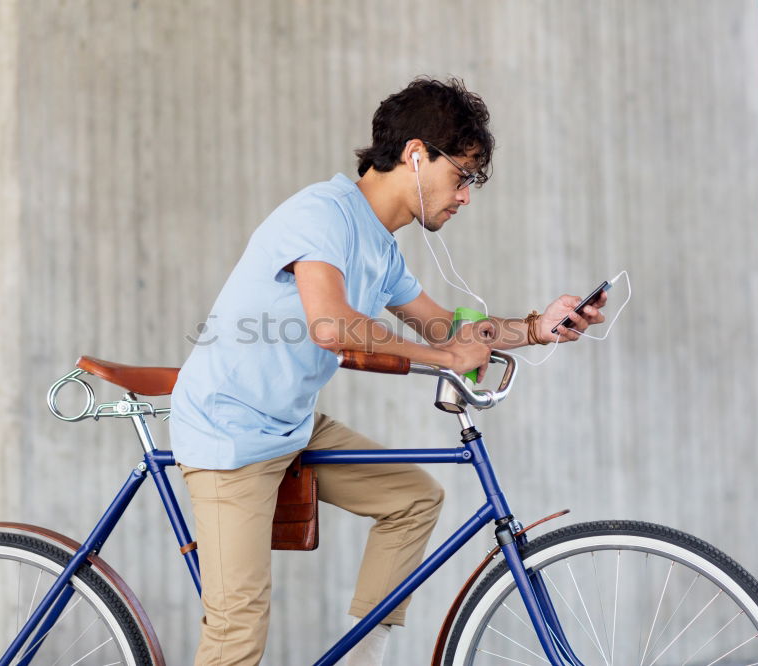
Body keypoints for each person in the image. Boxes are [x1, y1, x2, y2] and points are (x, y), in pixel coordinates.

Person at [170, 76, 606, 666]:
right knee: (238, 629)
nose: (466, 197)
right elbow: (333, 325)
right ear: (417, 153)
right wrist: (445, 361)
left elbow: (445, 329)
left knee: (413, 499)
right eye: (463, 176)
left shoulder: (383, 246)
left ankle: (361, 658)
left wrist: (535, 326)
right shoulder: (321, 213)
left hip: (291, 424)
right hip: (230, 430)